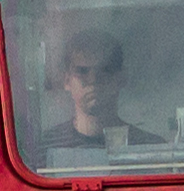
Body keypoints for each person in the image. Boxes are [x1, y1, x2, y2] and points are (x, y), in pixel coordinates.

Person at [34, 25, 162, 158]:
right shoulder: (46, 148)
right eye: (82, 71)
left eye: (105, 70)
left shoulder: (151, 149)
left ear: (122, 78)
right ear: (67, 81)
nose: (93, 79)